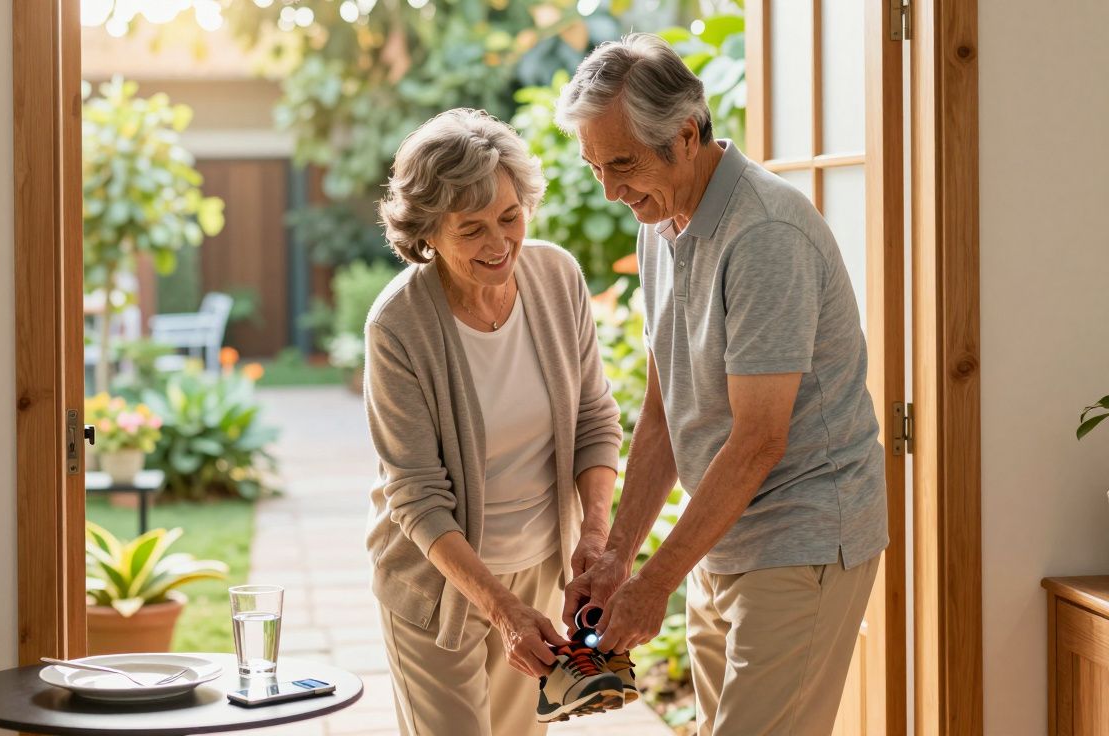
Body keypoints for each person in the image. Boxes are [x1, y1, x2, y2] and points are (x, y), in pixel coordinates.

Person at [556, 34, 889, 736]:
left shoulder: (764, 233)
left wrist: (655, 583)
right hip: (725, 533)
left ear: (684, 134)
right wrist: (619, 558)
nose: (612, 191)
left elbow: (760, 438)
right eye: (596, 169)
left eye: (622, 164)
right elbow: (661, 410)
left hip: (801, 530)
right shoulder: (662, 218)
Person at [363, 108, 628, 734]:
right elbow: (417, 496)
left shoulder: (556, 277)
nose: (499, 243)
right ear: (427, 232)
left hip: (538, 568)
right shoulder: (398, 326)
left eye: (510, 217)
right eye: (471, 229)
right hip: (437, 582)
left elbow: (594, 419)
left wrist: (593, 535)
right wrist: (500, 609)